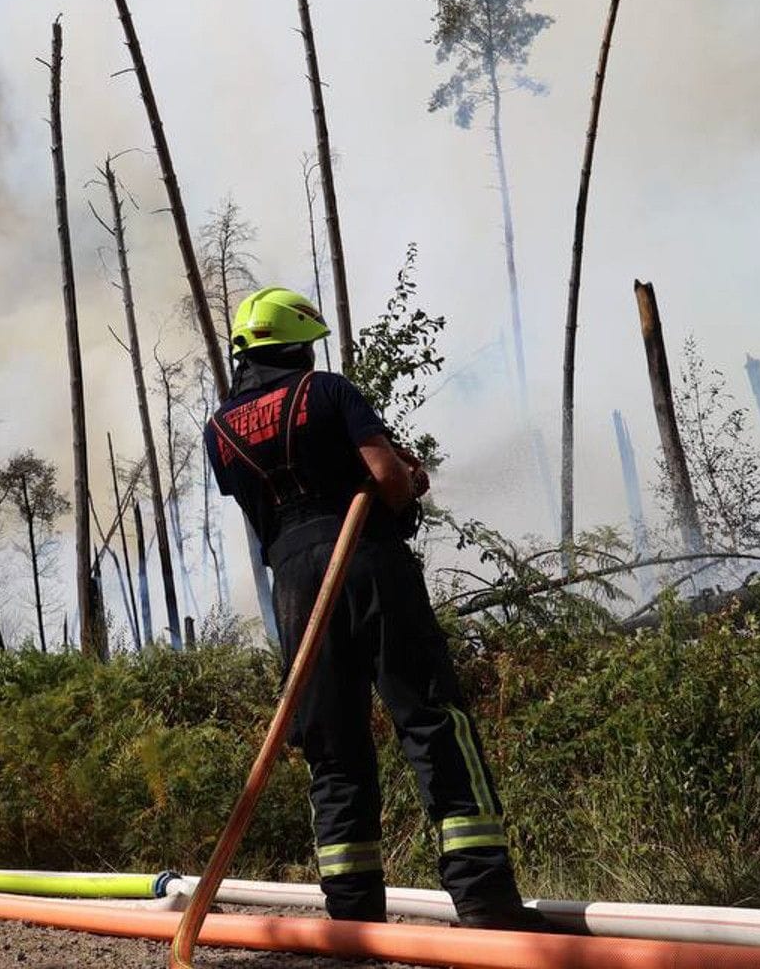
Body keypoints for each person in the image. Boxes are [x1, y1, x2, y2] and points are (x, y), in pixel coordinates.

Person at [205, 286, 545, 932]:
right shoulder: (327, 390)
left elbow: (267, 508)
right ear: (299, 344)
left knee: (331, 744)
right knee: (431, 718)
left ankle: (352, 915)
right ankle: (484, 900)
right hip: (364, 556)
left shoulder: (218, 429)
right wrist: (409, 489)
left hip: (296, 587)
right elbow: (385, 476)